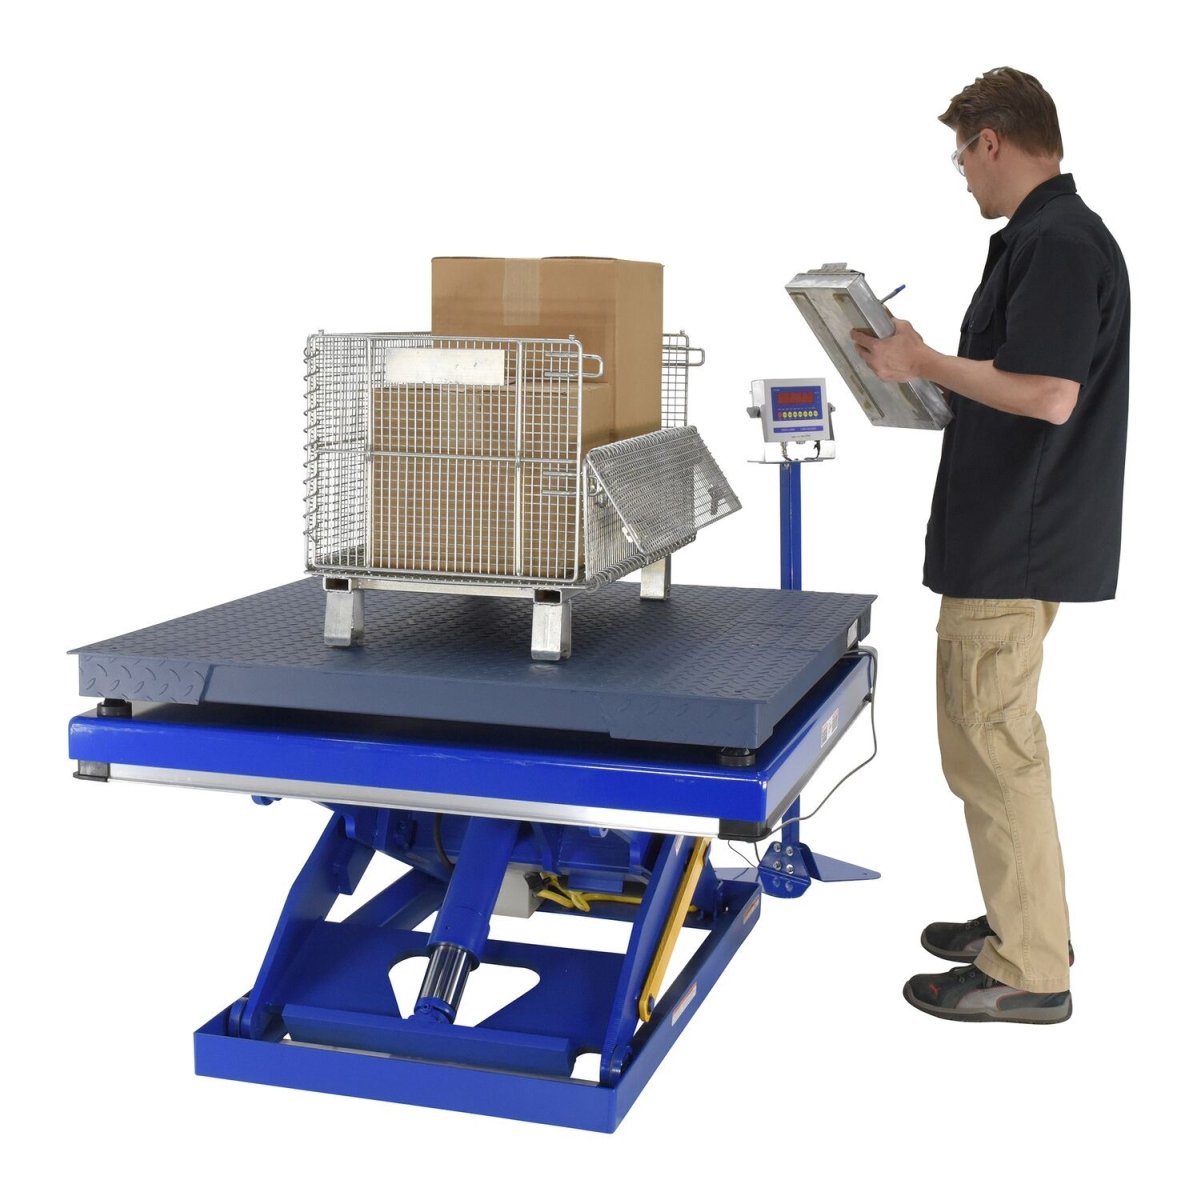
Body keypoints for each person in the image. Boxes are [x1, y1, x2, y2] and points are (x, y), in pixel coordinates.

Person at [849, 67, 1130, 1023]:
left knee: (996, 748)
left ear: (992, 141)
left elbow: (1048, 394)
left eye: (961, 155)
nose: (962, 173)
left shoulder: (1057, 243)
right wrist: (920, 374)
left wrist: (922, 359)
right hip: (1008, 535)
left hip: (1013, 540)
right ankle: (1022, 919)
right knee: (982, 747)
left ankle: (1030, 970)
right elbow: (1018, 381)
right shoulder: (1046, 239)